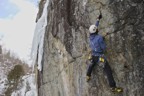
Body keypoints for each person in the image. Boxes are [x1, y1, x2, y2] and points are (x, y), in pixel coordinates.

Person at [86, 14, 122, 93]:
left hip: (94, 55)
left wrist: (98, 19)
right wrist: (103, 38)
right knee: (108, 71)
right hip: (100, 57)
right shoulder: (99, 38)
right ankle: (113, 87)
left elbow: (95, 28)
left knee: (92, 64)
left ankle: (88, 75)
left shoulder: (91, 37)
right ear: (96, 31)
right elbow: (103, 48)